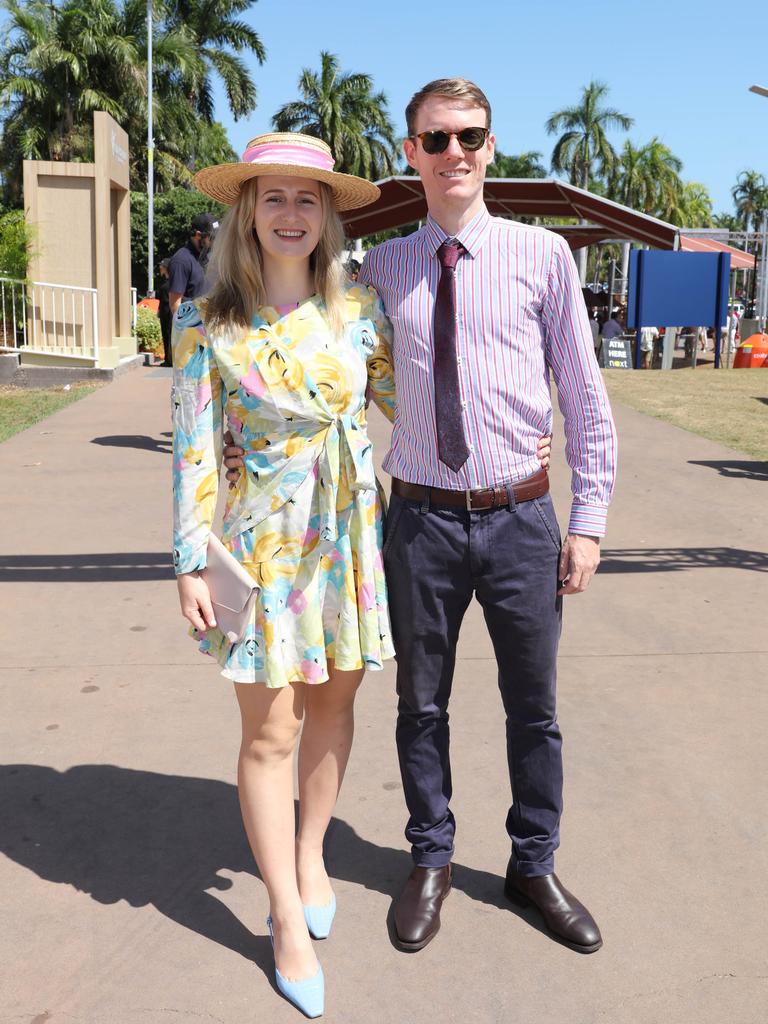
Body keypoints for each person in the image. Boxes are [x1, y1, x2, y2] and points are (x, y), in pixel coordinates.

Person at [225, 79, 616, 959]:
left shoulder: (542, 256)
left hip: (521, 519)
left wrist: (586, 520)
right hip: (420, 525)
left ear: (490, 144)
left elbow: (585, 401)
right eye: (435, 139)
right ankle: (429, 858)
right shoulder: (381, 272)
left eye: (469, 136)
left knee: (535, 709)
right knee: (420, 704)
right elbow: (331, 374)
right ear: (411, 151)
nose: (454, 154)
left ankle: (533, 864)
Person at [171, 133, 396, 1019]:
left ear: (328, 214)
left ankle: (310, 856)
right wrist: (189, 556)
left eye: (309, 199)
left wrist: (516, 432)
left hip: (346, 542)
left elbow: (407, 412)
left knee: (336, 706)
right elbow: (192, 448)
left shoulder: (361, 312)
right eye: (274, 198)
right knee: (272, 731)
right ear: (247, 211)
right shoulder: (208, 323)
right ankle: (283, 916)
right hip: (262, 549)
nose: (291, 215)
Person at [167, 212, 218, 317]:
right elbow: (175, 305)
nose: (215, 242)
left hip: (212, 327)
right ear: (198, 235)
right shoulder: (181, 260)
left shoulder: (208, 257)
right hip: (192, 329)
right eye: (212, 238)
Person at [156, 258, 173, 367]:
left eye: (162, 266)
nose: (160, 268)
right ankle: (168, 359)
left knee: (168, 335)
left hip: (168, 313)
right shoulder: (167, 282)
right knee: (167, 335)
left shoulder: (170, 283)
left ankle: (169, 360)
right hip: (165, 312)